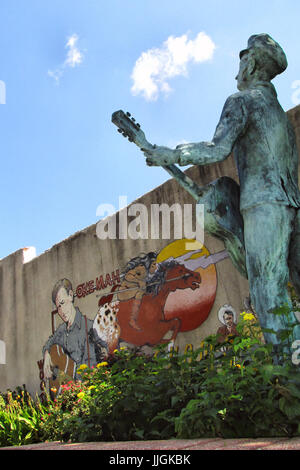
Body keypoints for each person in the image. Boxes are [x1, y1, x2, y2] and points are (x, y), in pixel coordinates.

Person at [142, 34, 300, 353]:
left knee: (267, 288)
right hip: (293, 204)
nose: (237, 70)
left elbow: (217, 149)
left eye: (241, 61)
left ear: (251, 63)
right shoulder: (280, 118)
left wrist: (170, 154)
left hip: (263, 205)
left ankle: (289, 369)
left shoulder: (242, 101)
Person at [43, 278, 106, 381]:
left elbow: (89, 371)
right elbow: (50, 342)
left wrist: (67, 382)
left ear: (71, 295)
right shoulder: (61, 330)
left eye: (62, 303)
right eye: (58, 307)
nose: (61, 311)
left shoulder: (87, 327)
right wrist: (46, 354)